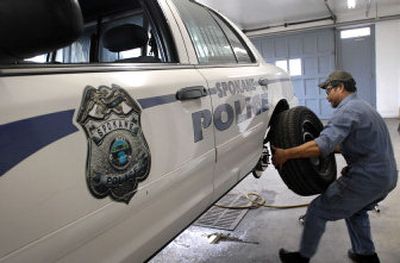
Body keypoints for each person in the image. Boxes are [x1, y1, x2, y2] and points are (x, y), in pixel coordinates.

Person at [272, 70, 398, 263]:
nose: (327, 96)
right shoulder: (364, 107)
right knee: (356, 210)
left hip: (367, 178)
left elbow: (320, 145)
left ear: (340, 88)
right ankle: (365, 254)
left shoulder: (346, 111)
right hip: (387, 177)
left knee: (317, 210)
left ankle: (301, 258)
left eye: (329, 90)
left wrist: (286, 154)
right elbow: (348, 143)